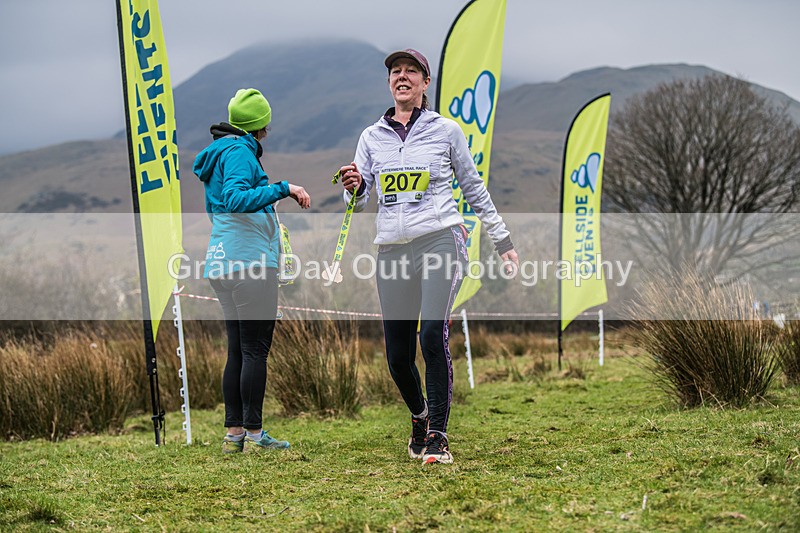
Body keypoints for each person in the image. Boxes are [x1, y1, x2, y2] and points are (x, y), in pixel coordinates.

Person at [338, 49, 519, 464]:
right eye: (395, 72)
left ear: (424, 83)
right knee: (397, 357)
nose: (402, 77)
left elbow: (473, 187)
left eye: (411, 72)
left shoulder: (446, 131)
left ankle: (437, 435)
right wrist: (353, 184)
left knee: (431, 335)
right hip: (392, 248)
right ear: (390, 83)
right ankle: (419, 417)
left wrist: (502, 239)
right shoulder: (371, 137)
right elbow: (361, 200)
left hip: (440, 239)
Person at [193, 88, 311, 454]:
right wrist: (283, 188)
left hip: (221, 261)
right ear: (260, 126)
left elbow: (222, 206)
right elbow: (235, 199)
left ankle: (234, 435)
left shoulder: (220, 153)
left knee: (238, 352)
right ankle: (257, 435)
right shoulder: (241, 152)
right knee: (256, 351)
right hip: (250, 264)